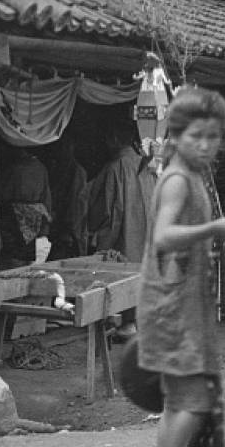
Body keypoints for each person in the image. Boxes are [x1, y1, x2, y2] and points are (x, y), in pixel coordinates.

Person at [137, 87, 225, 447]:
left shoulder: (191, 176)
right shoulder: (176, 179)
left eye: (213, 137)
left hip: (182, 300)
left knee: (182, 397)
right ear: (175, 135)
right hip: (171, 306)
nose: (205, 145)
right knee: (193, 399)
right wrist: (216, 229)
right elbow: (164, 235)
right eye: (195, 136)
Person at [89, 121, 156, 340]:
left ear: (115, 140)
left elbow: (105, 209)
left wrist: (96, 233)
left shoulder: (115, 167)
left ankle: (127, 323)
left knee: (120, 274)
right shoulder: (147, 166)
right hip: (148, 232)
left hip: (124, 232)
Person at [0, 147, 52, 268]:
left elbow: (4, 193)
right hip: (34, 219)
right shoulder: (41, 168)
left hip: (16, 217)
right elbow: (46, 197)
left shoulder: (14, 168)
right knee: (28, 259)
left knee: (15, 259)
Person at [43, 136, 88, 261]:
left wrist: (70, 231)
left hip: (68, 234)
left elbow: (76, 207)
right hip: (58, 231)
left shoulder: (76, 172)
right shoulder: (58, 169)